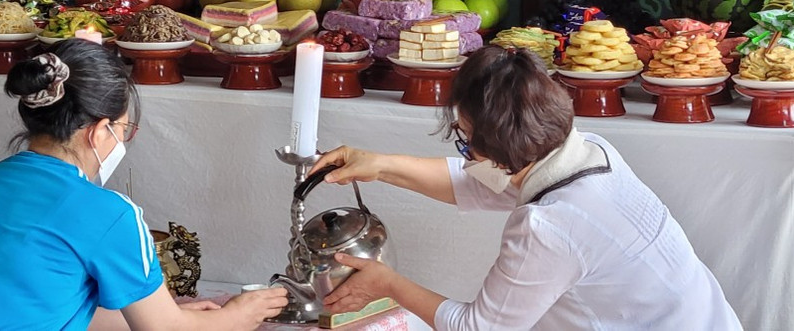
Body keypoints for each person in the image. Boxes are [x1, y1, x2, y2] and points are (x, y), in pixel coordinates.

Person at [309, 47, 741, 330]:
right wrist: (379, 165)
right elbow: (478, 183)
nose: (466, 153)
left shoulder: (548, 226)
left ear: (500, 146)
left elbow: (477, 328)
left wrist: (388, 284)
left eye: (465, 139)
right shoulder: (589, 152)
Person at [0, 40, 288, 330]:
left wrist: (167, 314)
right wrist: (238, 316)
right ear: (99, 132)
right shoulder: (110, 214)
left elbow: (41, 299)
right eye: (123, 130)